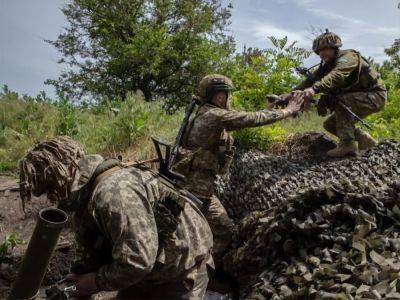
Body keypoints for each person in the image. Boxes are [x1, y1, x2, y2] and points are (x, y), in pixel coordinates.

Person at [19, 136, 213, 299]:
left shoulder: (113, 193)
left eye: (51, 187)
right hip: (148, 271)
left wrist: (95, 282)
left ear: (67, 171)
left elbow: (138, 261)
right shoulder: (86, 194)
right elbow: (92, 244)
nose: (52, 197)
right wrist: (81, 274)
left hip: (182, 271)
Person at [173, 74, 304, 270]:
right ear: (218, 97)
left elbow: (242, 118)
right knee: (222, 230)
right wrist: (288, 110)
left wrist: (268, 109)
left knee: (220, 229)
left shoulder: (205, 112)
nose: (229, 99)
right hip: (196, 190)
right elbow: (248, 119)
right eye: (227, 95)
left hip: (198, 186)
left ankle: (203, 271)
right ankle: (200, 272)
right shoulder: (214, 115)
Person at [294, 30, 387, 157]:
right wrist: (285, 96)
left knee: (342, 100)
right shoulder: (326, 66)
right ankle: (363, 139)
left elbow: (337, 75)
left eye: (324, 49)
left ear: (334, 48)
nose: (321, 54)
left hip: (375, 96)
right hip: (359, 97)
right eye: (319, 51)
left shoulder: (349, 57)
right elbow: (307, 83)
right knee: (330, 124)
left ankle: (348, 144)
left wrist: (314, 89)